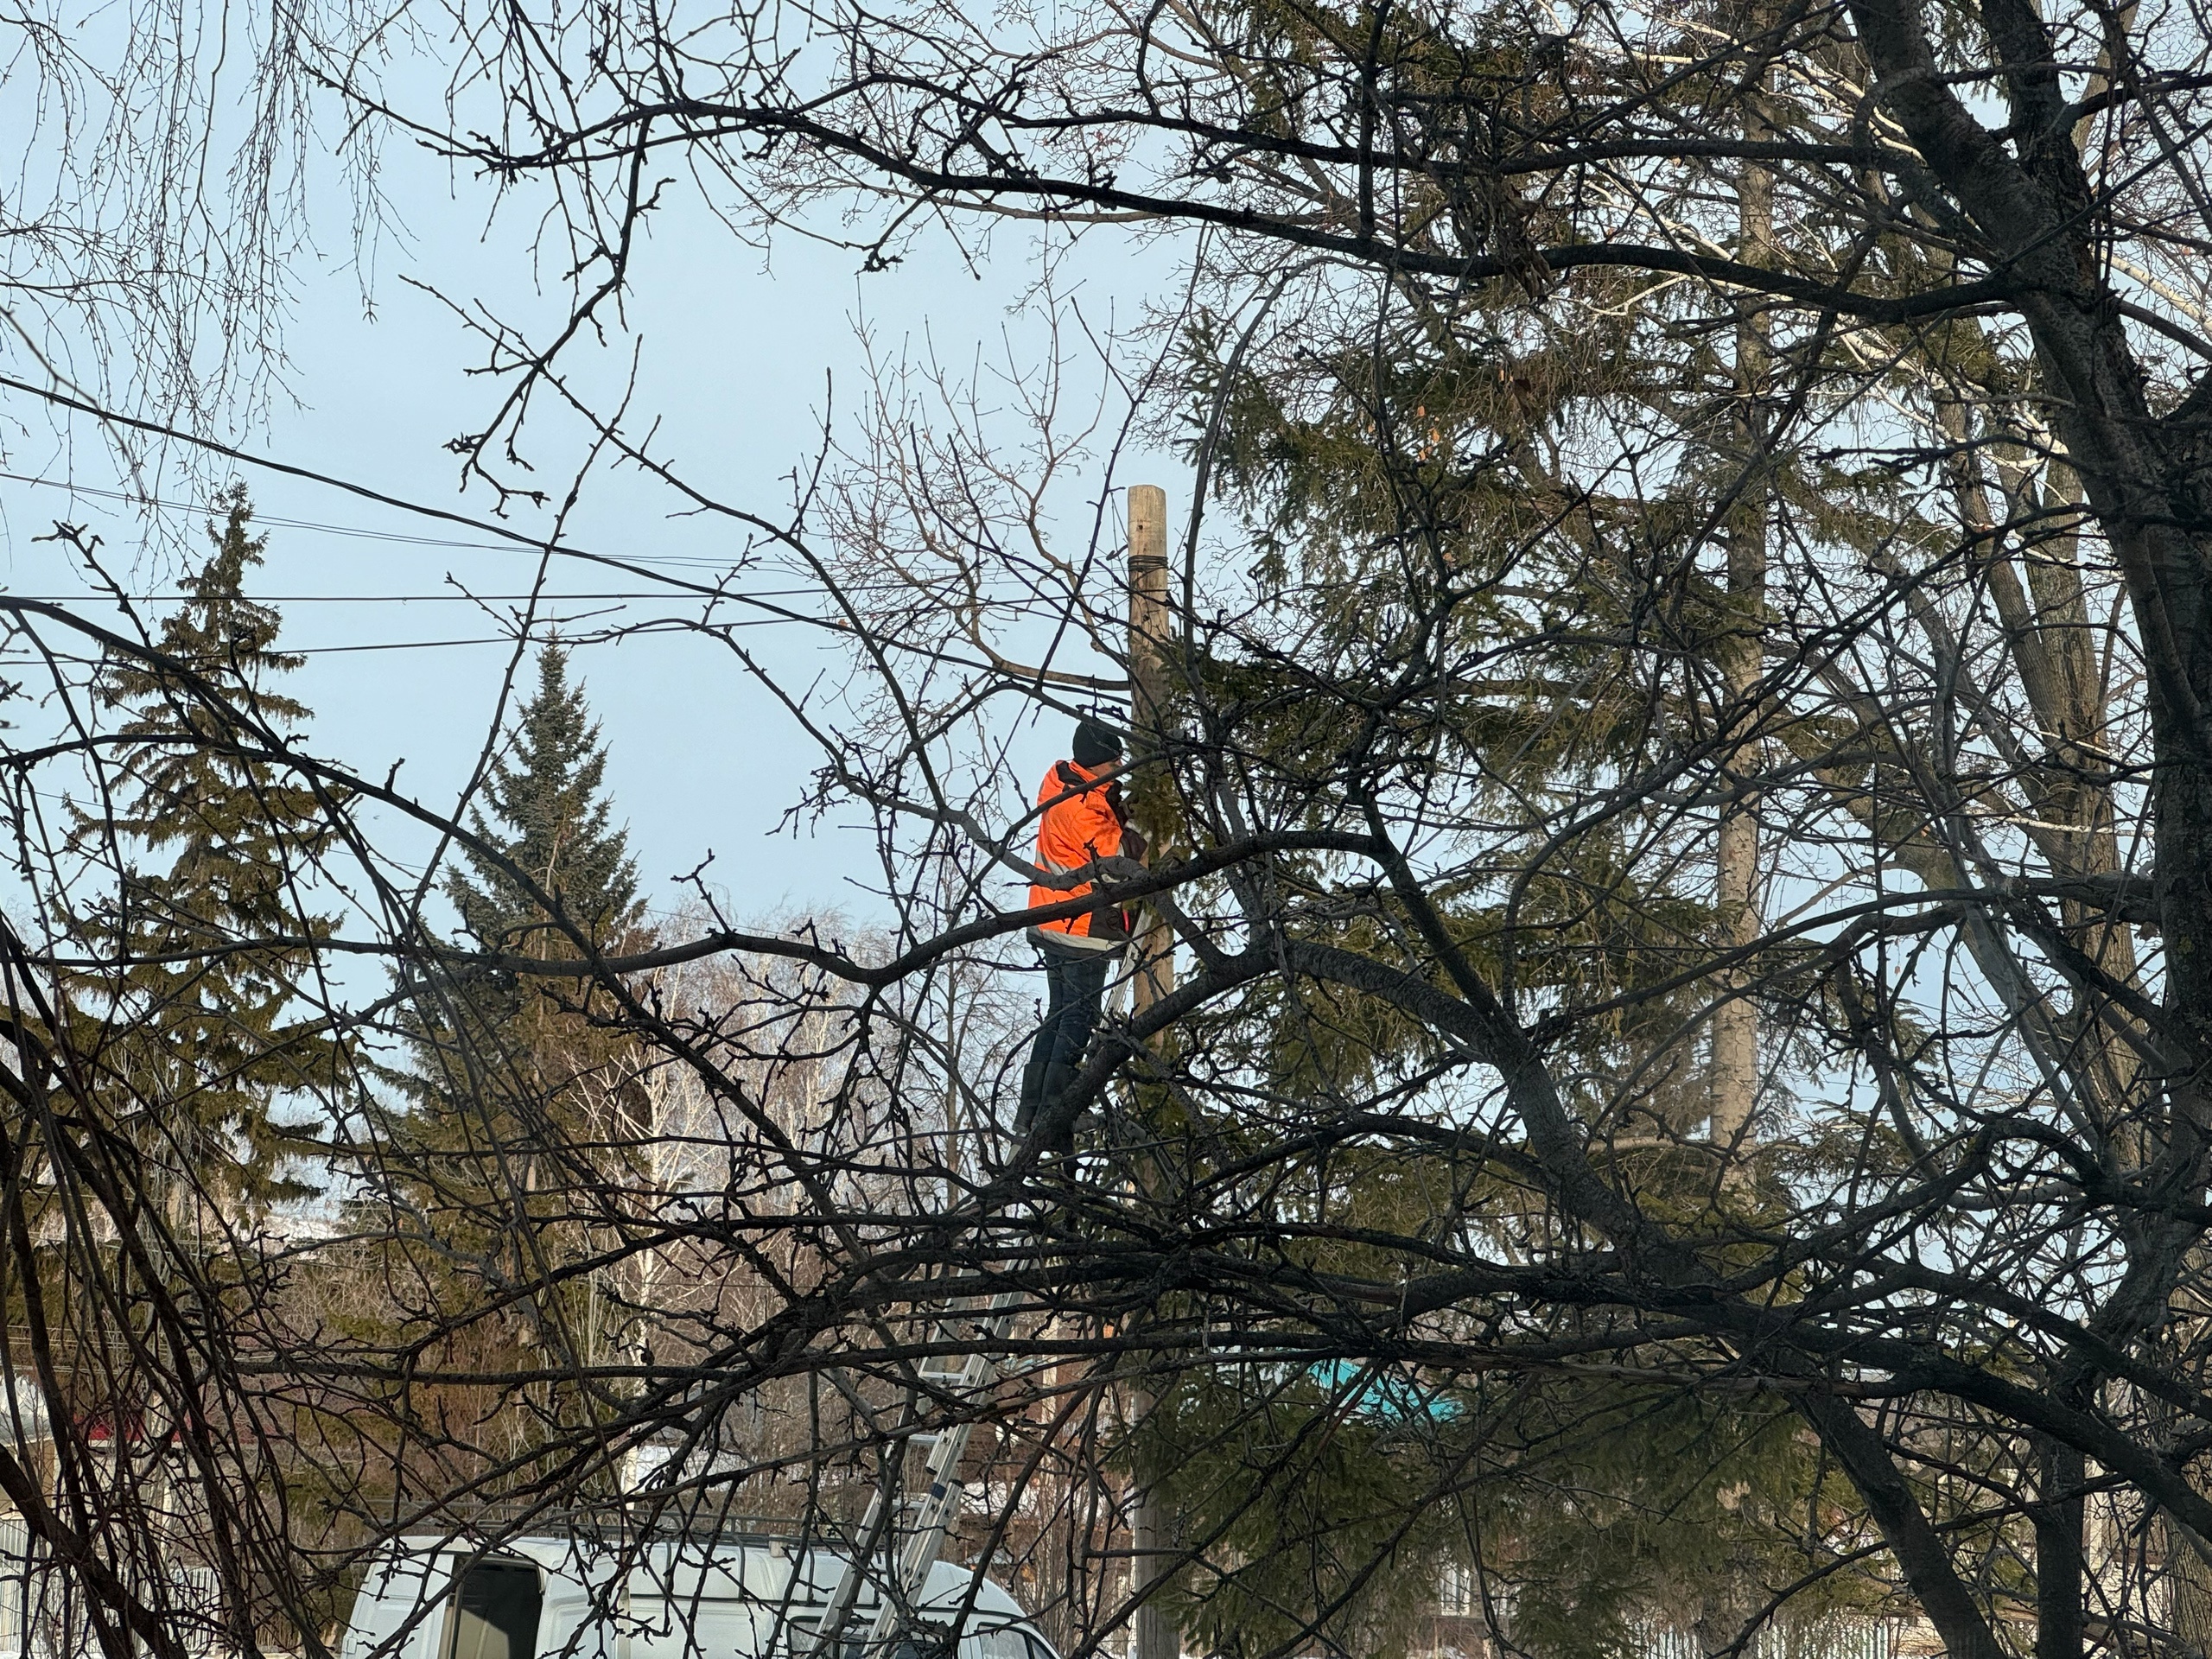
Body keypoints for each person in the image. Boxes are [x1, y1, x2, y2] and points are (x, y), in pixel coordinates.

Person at [1016, 716, 1145, 1146]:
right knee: (1078, 1016)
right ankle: (1057, 1110)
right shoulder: (1079, 807)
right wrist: (1148, 829)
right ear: (1100, 762)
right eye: (1115, 762)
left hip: (1055, 919)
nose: (1120, 768)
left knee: (1060, 1014)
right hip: (1078, 924)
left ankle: (1031, 1112)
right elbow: (1119, 855)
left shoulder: (1067, 786)